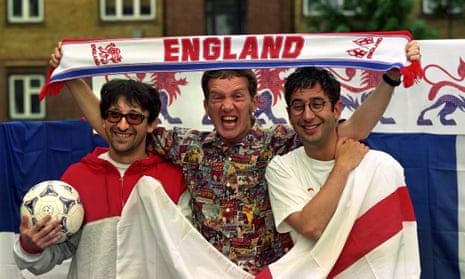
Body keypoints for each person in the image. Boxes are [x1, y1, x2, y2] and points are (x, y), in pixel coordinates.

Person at [49, 40, 421, 275]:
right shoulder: (187, 146)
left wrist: (388, 79)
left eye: (237, 96)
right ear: (207, 105)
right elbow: (116, 126)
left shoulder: (278, 140)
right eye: (218, 97)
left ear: (255, 101)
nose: (228, 105)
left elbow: (349, 131)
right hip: (205, 271)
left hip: (269, 272)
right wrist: (72, 73)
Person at [13, 79, 187, 278]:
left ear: (152, 124)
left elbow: (186, 254)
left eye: (134, 117)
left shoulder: (174, 178)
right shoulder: (77, 177)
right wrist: (30, 247)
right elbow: (51, 256)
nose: (122, 125)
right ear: (102, 120)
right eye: (114, 115)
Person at [261, 67, 420, 278]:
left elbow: (398, 246)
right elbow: (311, 226)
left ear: (336, 110)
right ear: (289, 114)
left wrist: (392, 76)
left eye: (317, 104)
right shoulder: (281, 168)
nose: (308, 115)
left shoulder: (380, 166)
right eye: (298, 107)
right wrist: (342, 166)